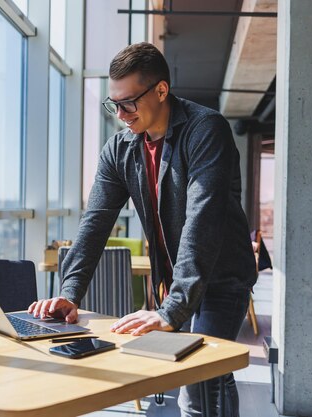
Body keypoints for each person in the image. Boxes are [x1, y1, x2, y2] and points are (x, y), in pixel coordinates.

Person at [28, 42, 257, 417]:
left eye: (128, 103)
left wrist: (172, 310)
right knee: (214, 375)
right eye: (113, 104)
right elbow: (95, 223)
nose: (120, 114)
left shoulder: (205, 130)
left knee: (198, 382)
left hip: (220, 276)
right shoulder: (120, 149)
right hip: (175, 279)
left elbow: (203, 219)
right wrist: (70, 293)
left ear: (161, 91)